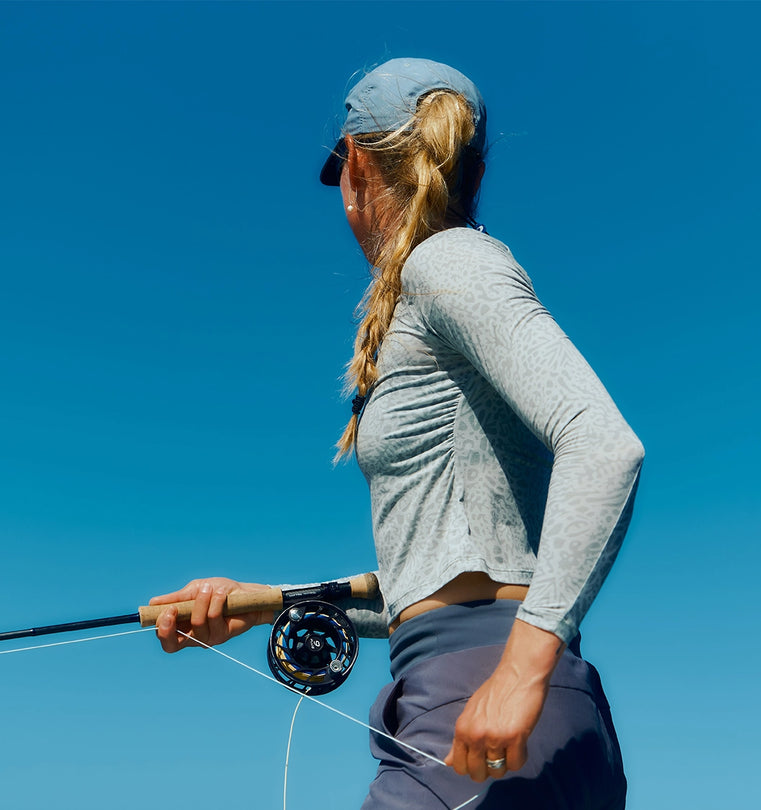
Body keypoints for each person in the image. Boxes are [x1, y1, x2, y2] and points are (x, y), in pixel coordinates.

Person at [146, 57, 643, 810]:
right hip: (491, 707)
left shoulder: (451, 262)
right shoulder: (444, 283)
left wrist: (518, 671)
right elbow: (443, 574)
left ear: (355, 167)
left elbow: (605, 445)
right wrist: (261, 605)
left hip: (479, 701)